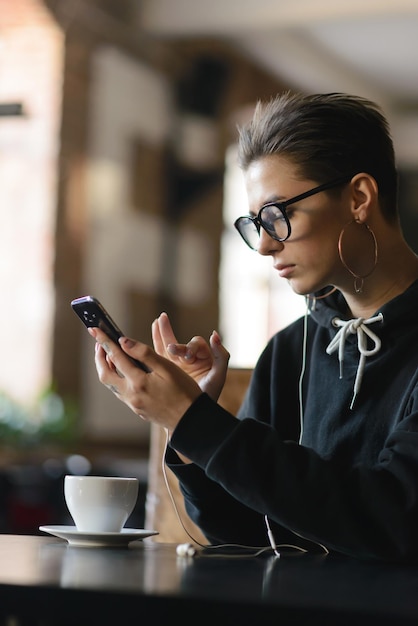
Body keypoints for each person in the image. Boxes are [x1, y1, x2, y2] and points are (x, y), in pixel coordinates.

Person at [88, 91, 418, 563]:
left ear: (359, 198)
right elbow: (242, 531)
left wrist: (196, 423)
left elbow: (395, 517)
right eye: (254, 222)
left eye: (278, 215)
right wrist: (189, 427)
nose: (263, 245)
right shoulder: (291, 351)